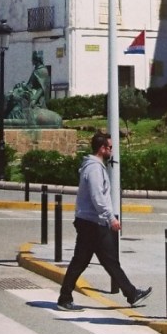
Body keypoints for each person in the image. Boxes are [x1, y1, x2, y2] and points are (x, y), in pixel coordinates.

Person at [57, 131, 152, 312]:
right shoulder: (94, 169)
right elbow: (97, 197)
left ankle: (131, 293)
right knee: (88, 261)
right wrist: (111, 218)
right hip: (92, 222)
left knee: (101, 261)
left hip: (91, 221)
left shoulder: (95, 167)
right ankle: (65, 298)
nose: (112, 151)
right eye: (109, 147)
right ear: (102, 149)